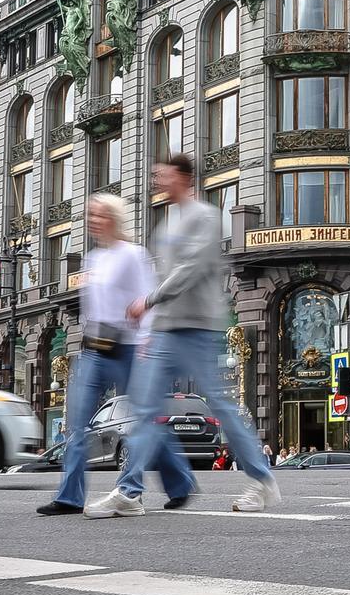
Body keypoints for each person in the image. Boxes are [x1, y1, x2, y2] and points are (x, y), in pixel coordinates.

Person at [98, 155, 279, 515]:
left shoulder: (205, 217)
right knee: (145, 409)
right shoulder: (166, 225)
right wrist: (151, 330)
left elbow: (190, 269)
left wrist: (149, 301)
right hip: (166, 332)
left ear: (182, 178)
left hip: (198, 328)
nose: (157, 181)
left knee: (221, 406)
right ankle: (129, 492)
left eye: (162, 175)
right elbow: (164, 274)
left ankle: (262, 480)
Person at [36, 193, 189, 518]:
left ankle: (180, 483)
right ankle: (70, 497)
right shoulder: (93, 258)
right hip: (95, 349)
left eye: (100, 215)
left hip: (129, 348)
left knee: (145, 419)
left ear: (115, 219)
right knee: (78, 423)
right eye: (90, 215)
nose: (93, 220)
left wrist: (146, 339)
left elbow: (147, 299)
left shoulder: (133, 255)